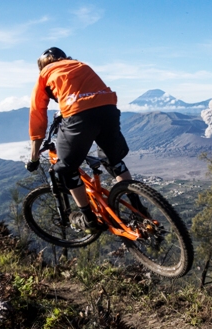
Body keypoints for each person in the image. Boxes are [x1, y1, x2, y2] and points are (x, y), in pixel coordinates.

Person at [25, 47, 135, 233]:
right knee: (113, 160)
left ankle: (89, 219)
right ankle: (138, 208)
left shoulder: (45, 74)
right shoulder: (80, 65)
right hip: (108, 109)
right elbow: (90, 95)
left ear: (43, 65)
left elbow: (37, 115)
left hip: (78, 115)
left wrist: (34, 157)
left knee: (66, 168)